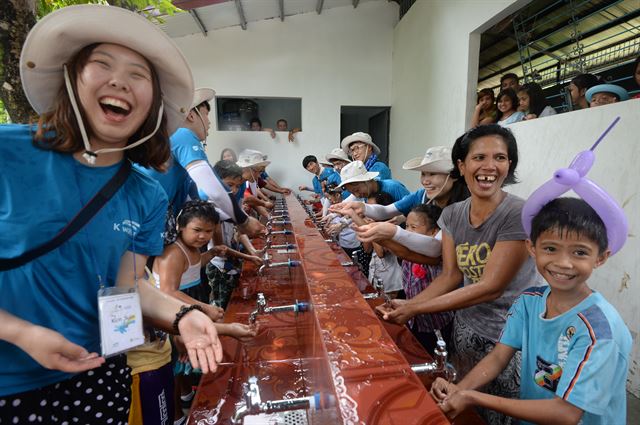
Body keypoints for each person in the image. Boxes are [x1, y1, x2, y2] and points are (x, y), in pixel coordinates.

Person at [0, 5, 222, 424]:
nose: (119, 80)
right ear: (71, 78)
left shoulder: (145, 193)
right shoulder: (8, 152)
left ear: (153, 104)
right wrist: (19, 332)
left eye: (138, 75)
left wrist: (184, 316)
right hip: (9, 385)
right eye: (101, 64)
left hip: (100, 378)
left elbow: (129, 287)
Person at [375, 125, 540, 425]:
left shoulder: (518, 213)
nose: (489, 166)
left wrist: (414, 307)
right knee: (466, 410)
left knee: (501, 415)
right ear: (461, 166)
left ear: (509, 165)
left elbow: (491, 287)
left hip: (508, 338)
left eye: (500, 157)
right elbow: (451, 275)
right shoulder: (452, 215)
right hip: (465, 329)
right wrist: (408, 306)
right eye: (479, 157)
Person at [431, 198, 632, 425]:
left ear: (601, 258)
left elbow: (567, 413)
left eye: (580, 252)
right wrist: (457, 390)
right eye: (550, 248)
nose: (563, 263)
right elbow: (498, 357)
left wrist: (472, 396)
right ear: (531, 248)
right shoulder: (529, 302)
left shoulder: (599, 332)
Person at [152, 200, 256, 425]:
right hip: (173, 310)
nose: (203, 236)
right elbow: (168, 291)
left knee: (185, 360)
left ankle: (187, 395)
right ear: (181, 226)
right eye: (197, 230)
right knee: (177, 361)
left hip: (191, 301)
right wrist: (203, 307)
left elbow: (193, 267)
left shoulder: (193, 249)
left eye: (209, 231)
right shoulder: (173, 253)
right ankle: (178, 413)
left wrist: (212, 253)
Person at [138, 88, 264, 237]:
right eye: (206, 114)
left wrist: (239, 220)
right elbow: (214, 190)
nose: (209, 122)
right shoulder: (183, 133)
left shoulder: (176, 145)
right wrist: (244, 221)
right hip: (144, 215)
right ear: (191, 115)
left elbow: (201, 201)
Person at [332, 146, 468, 264]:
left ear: (453, 175)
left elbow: (436, 247)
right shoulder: (422, 195)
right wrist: (363, 207)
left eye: (432, 174)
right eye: (423, 174)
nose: (425, 181)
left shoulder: (462, 207)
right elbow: (387, 210)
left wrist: (394, 232)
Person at [401, 204, 453, 353]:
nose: (407, 232)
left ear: (434, 233)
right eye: (406, 226)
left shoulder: (436, 254)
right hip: (413, 319)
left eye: (414, 227)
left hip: (436, 324)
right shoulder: (408, 251)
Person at [337, 160, 409, 203]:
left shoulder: (393, 187)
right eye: (353, 193)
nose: (357, 195)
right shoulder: (367, 194)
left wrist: (401, 218)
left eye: (357, 190)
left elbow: (414, 208)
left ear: (366, 180)